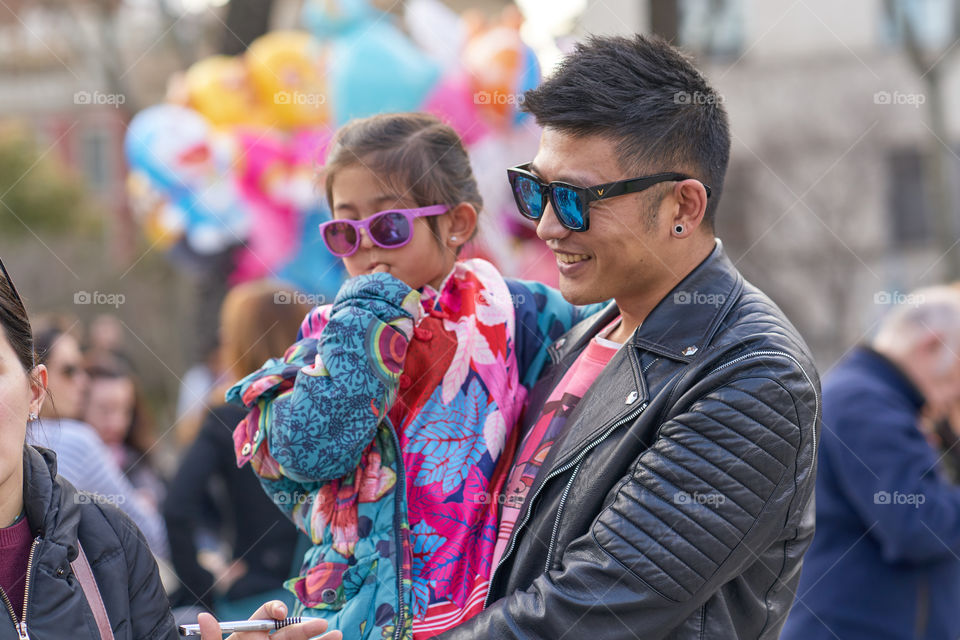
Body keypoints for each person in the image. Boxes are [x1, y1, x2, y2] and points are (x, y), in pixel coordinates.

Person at [436, 34, 820, 639]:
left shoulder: (753, 374)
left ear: (683, 207)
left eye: (575, 199)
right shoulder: (582, 333)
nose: (545, 226)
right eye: (534, 189)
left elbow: (588, 610)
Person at [228, 112, 601, 639]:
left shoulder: (516, 311)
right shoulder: (327, 334)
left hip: (485, 608)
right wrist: (365, 320)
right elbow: (312, 451)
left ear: (457, 224)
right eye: (343, 230)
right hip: (357, 613)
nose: (367, 247)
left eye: (387, 225)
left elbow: (614, 336)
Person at [0, 257, 339, 640]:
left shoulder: (108, 541)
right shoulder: (331, 417)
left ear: (34, 391)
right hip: (317, 589)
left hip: (265, 600)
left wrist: (206, 585)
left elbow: (178, 507)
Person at [782, 287, 960, 639]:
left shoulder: (878, 398)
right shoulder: (864, 402)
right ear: (932, 344)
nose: (955, 391)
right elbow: (916, 525)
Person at [164, 280, 308, 618]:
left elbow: (177, 508)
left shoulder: (229, 416)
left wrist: (202, 591)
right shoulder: (330, 411)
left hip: (256, 600)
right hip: (332, 589)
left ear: (240, 340)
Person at [28, 322, 170, 560]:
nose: (83, 382)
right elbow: (151, 534)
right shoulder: (75, 440)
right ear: (38, 379)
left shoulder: (18, 440)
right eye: (69, 371)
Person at [85, 358, 166, 508]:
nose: (118, 423)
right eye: (105, 410)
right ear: (81, 406)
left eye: (126, 410)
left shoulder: (140, 459)